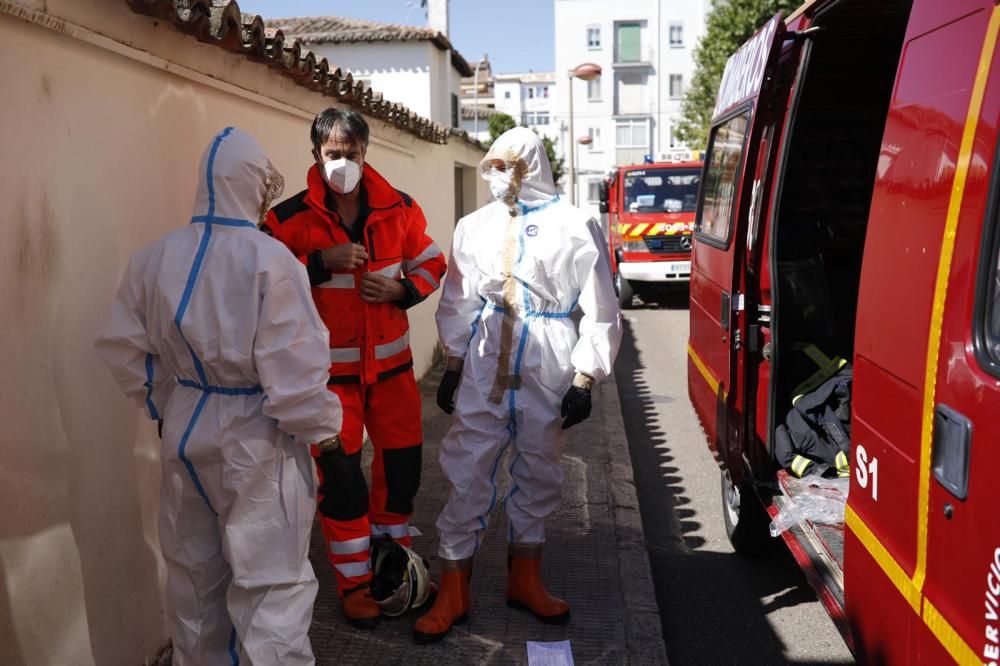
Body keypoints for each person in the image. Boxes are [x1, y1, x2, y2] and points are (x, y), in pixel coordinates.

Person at [95, 127, 343, 665]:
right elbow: (295, 375)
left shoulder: (153, 257)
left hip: (185, 425)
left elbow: (123, 348)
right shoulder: (271, 261)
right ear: (253, 183)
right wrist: (329, 442)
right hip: (259, 437)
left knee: (194, 584)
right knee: (271, 588)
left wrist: (164, 407)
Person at [413, 127, 623, 644]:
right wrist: (455, 364)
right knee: (466, 468)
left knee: (540, 469)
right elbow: (458, 300)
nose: (496, 176)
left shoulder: (577, 224)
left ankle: (524, 580)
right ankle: (453, 589)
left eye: (507, 166)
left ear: (531, 165)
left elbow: (601, 307)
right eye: (491, 166)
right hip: (487, 355)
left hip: (548, 357)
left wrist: (584, 375)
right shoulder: (473, 226)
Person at [263, 108, 446, 628]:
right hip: (328, 383)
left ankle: (393, 564)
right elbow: (260, 285)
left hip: (392, 375)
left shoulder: (400, 209)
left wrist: (402, 290)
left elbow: (433, 263)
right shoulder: (287, 220)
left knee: (402, 473)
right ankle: (355, 584)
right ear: (316, 155)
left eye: (352, 154)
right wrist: (319, 264)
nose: (343, 163)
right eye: (333, 155)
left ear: (367, 154)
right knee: (342, 482)